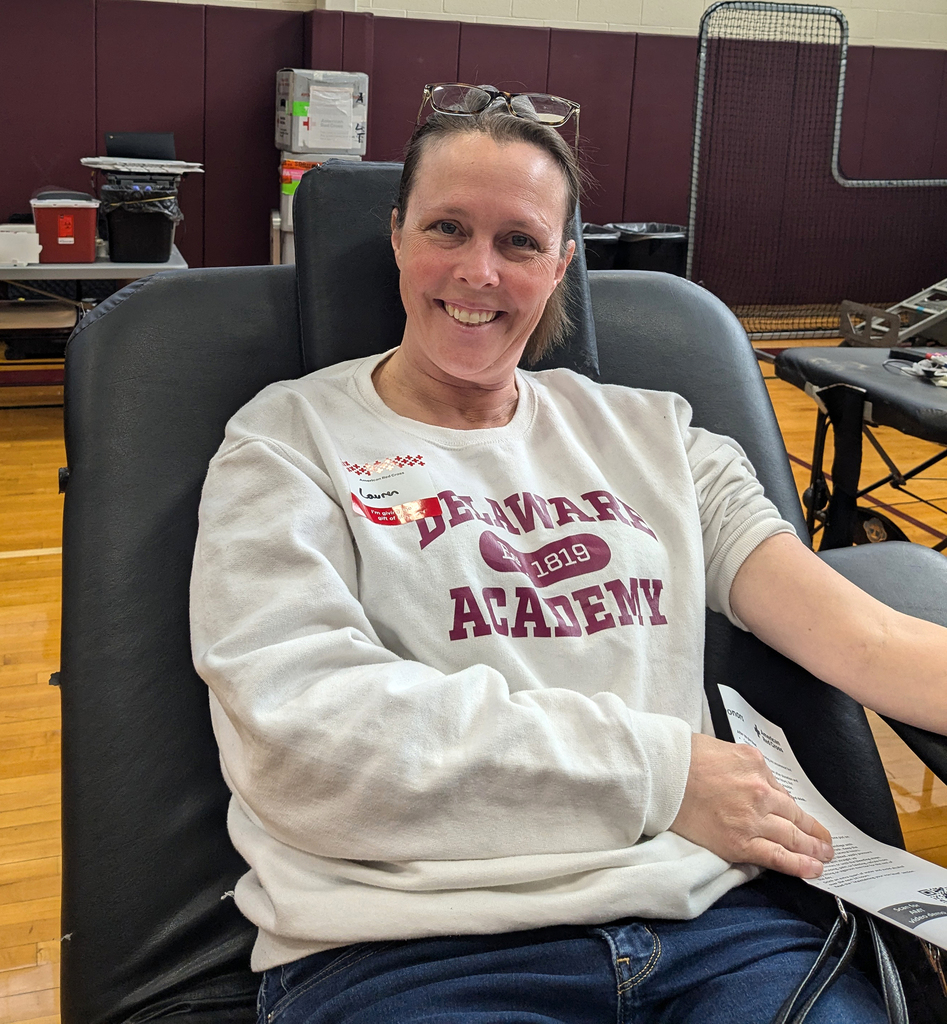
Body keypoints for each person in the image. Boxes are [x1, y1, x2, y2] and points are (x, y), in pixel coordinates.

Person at [190, 89, 947, 1023]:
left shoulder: (659, 439)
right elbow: (299, 732)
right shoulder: (287, 439)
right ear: (395, 237)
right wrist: (661, 773)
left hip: (711, 930)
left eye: (518, 242)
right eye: (447, 228)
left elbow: (866, 642)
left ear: (560, 265)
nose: (477, 271)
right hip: (412, 947)